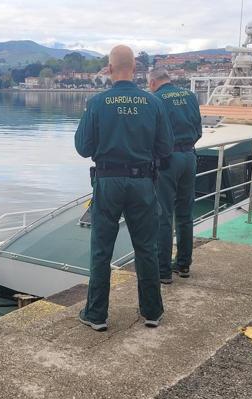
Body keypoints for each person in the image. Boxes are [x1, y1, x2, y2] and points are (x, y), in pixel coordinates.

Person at [75, 44, 174, 330]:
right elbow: (166, 147)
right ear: (135, 68)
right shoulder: (154, 103)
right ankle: (152, 311)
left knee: (101, 249)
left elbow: (83, 147)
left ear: (109, 68)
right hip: (143, 182)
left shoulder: (97, 103)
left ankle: (96, 314)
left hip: (107, 182)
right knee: (146, 247)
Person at [148, 67, 202, 284]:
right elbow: (199, 129)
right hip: (189, 157)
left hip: (167, 160)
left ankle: (163, 270)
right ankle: (184, 264)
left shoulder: (156, 99)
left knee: (163, 215)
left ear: (152, 82)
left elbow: (153, 134)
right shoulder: (190, 96)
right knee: (185, 213)